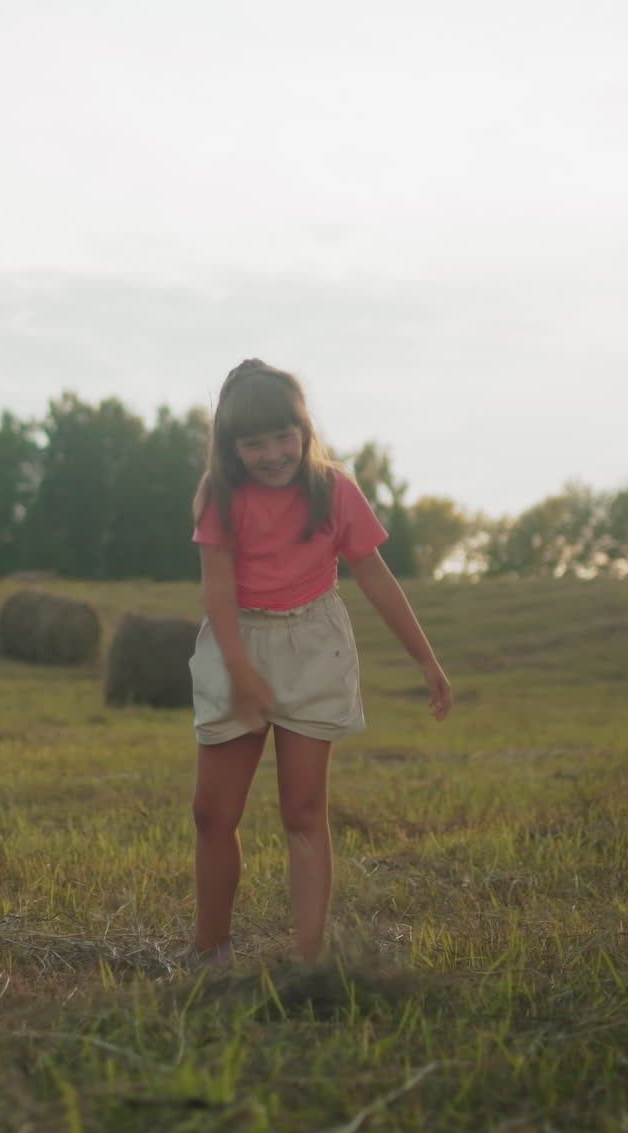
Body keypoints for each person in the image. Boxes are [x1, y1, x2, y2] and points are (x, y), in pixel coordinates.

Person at [186, 359, 452, 967]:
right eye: (254, 444)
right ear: (231, 447)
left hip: (314, 644)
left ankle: (307, 960)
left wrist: (426, 661)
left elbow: (377, 579)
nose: (274, 453)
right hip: (238, 642)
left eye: (284, 436)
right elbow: (217, 592)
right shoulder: (220, 497)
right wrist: (241, 673)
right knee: (211, 812)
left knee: (303, 810)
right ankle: (210, 951)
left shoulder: (335, 491)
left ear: (305, 428)